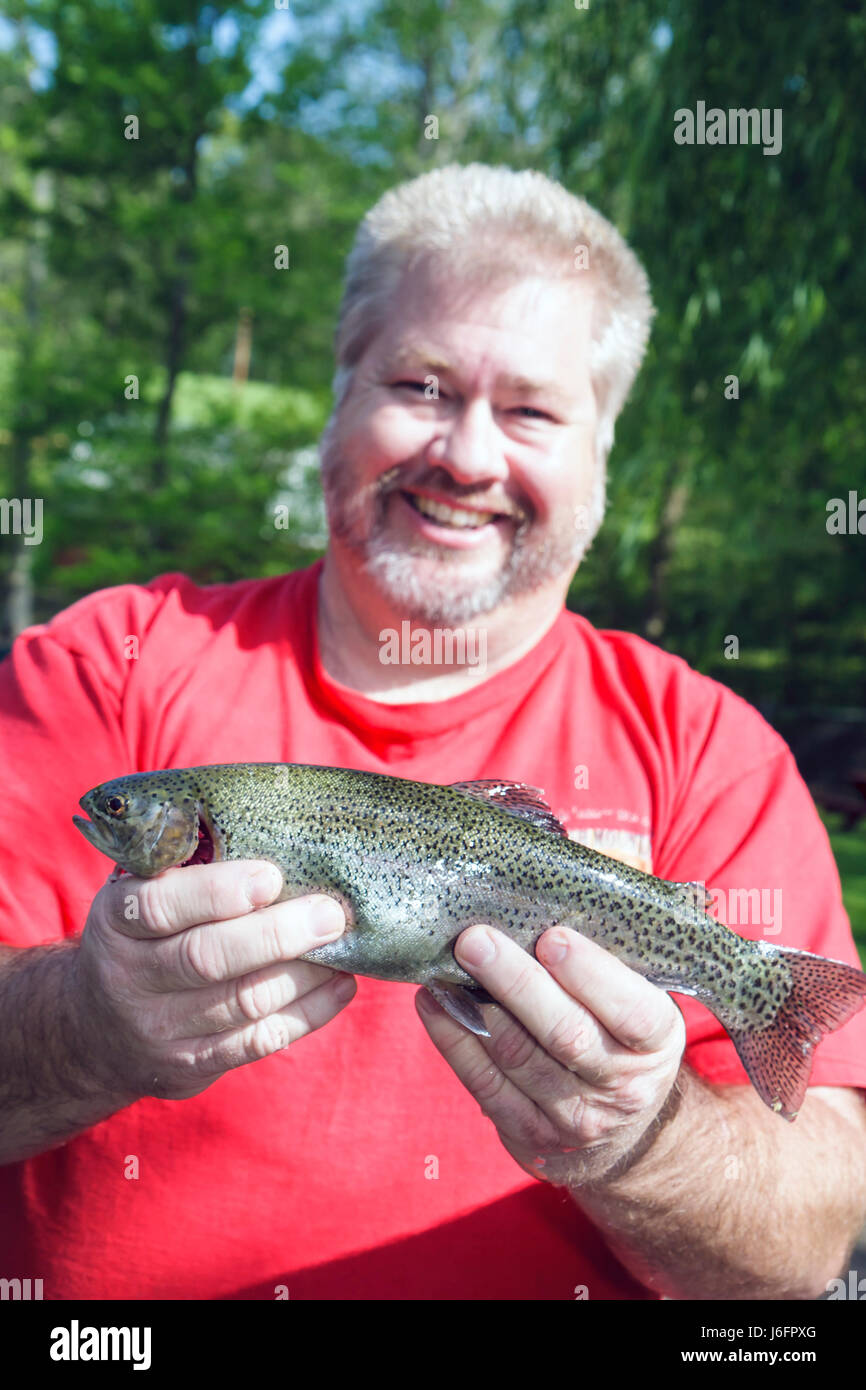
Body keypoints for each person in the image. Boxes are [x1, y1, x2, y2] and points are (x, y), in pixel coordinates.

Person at [1, 163, 865, 1302]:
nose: (465, 455)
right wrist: (92, 1020)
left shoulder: (710, 747)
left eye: (529, 410)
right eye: (419, 383)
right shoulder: (97, 666)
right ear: (338, 392)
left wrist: (641, 1138)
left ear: (600, 453)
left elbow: (808, 1250)